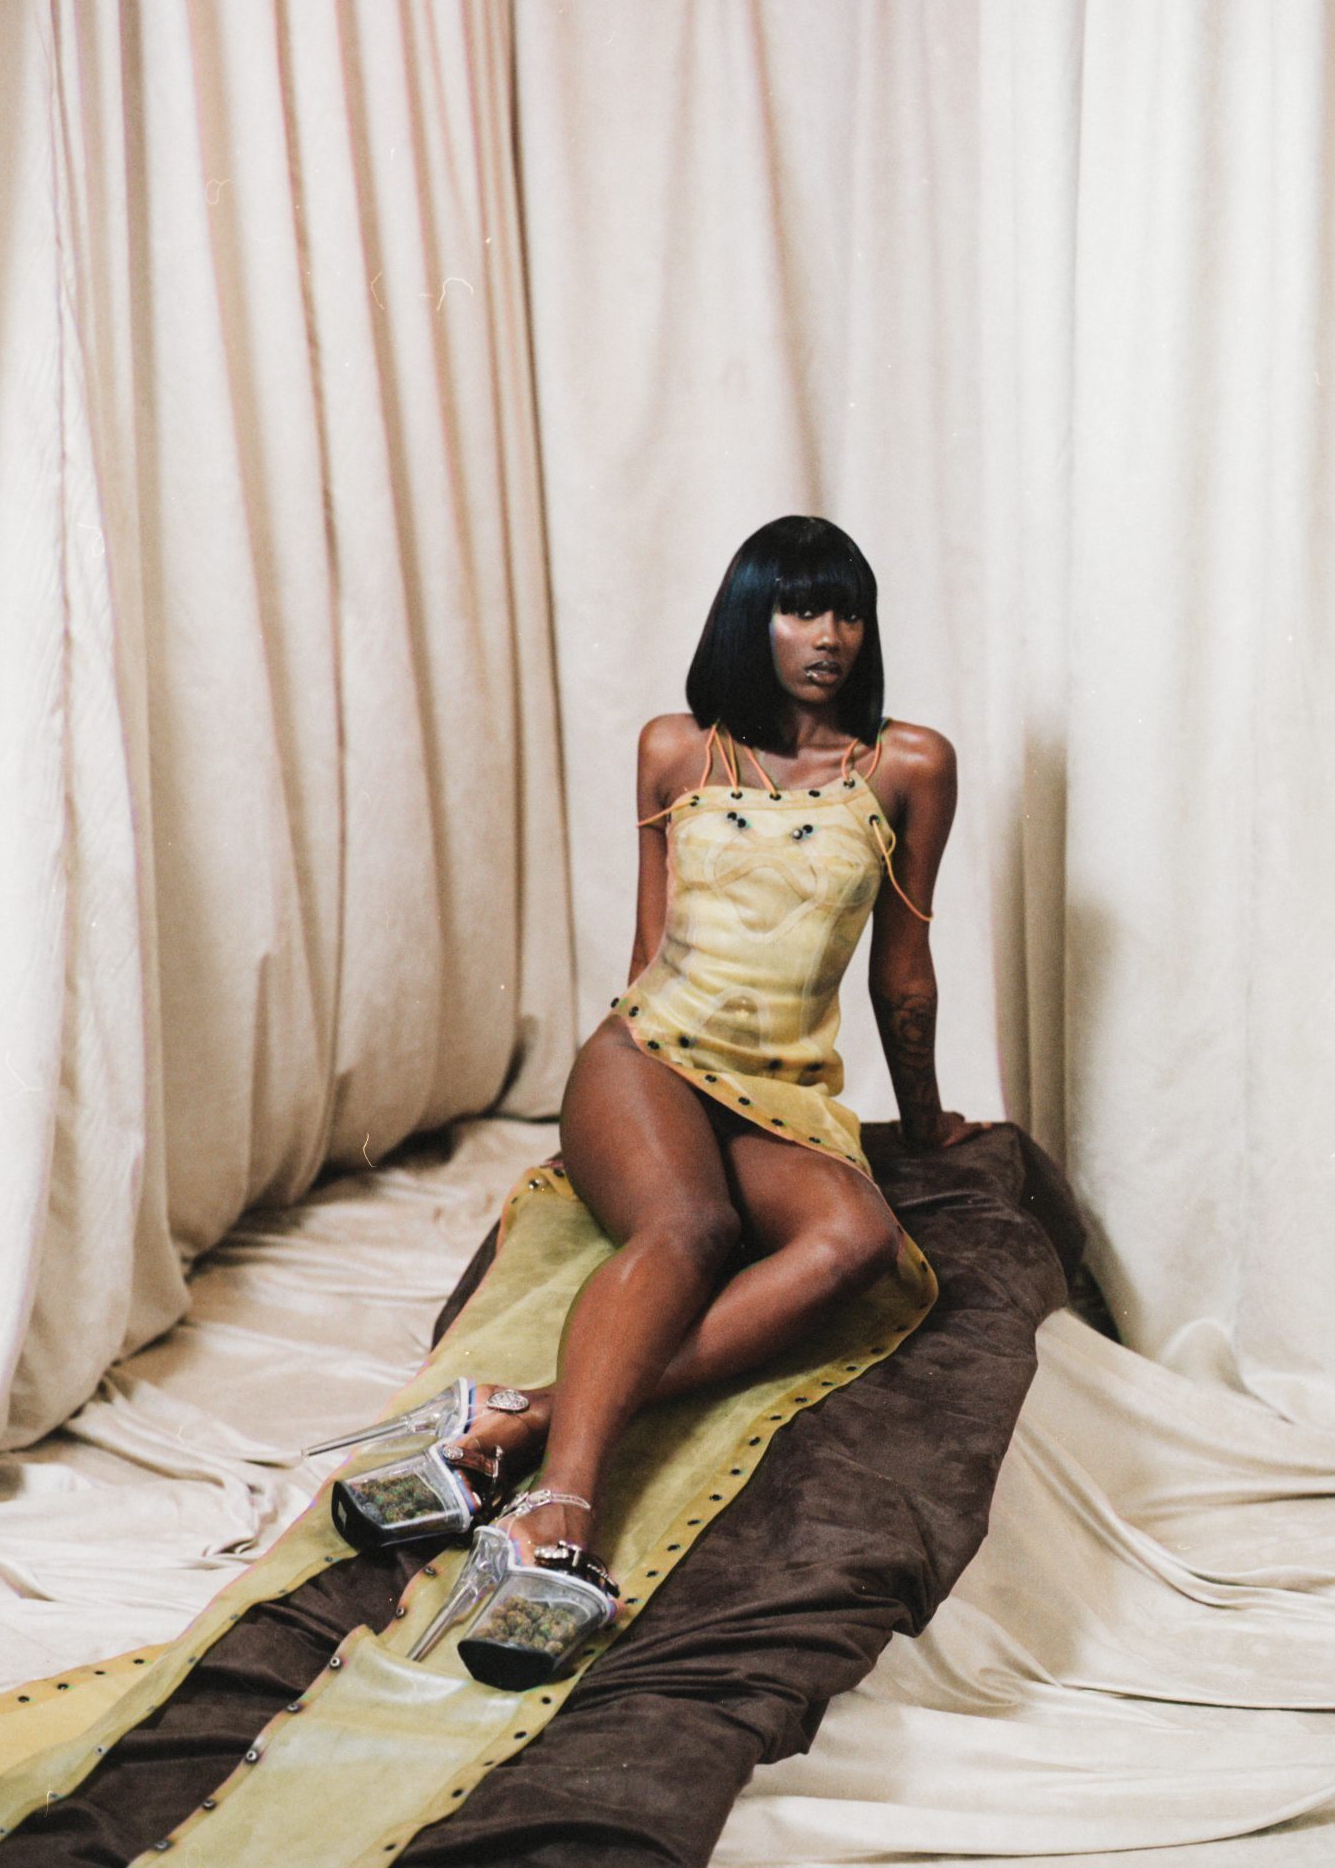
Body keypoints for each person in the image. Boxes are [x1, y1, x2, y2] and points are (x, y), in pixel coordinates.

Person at [423, 516, 987, 1678]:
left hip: (781, 1094)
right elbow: (649, 948)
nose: (828, 636)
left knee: (856, 1239)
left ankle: (528, 1410)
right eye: (799, 608)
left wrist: (928, 1121)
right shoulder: (675, 748)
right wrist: (615, 1121)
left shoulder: (910, 765)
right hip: (650, 1058)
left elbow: (903, 970)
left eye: (848, 612)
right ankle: (562, 1504)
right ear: (749, 617)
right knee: (690, 1223)